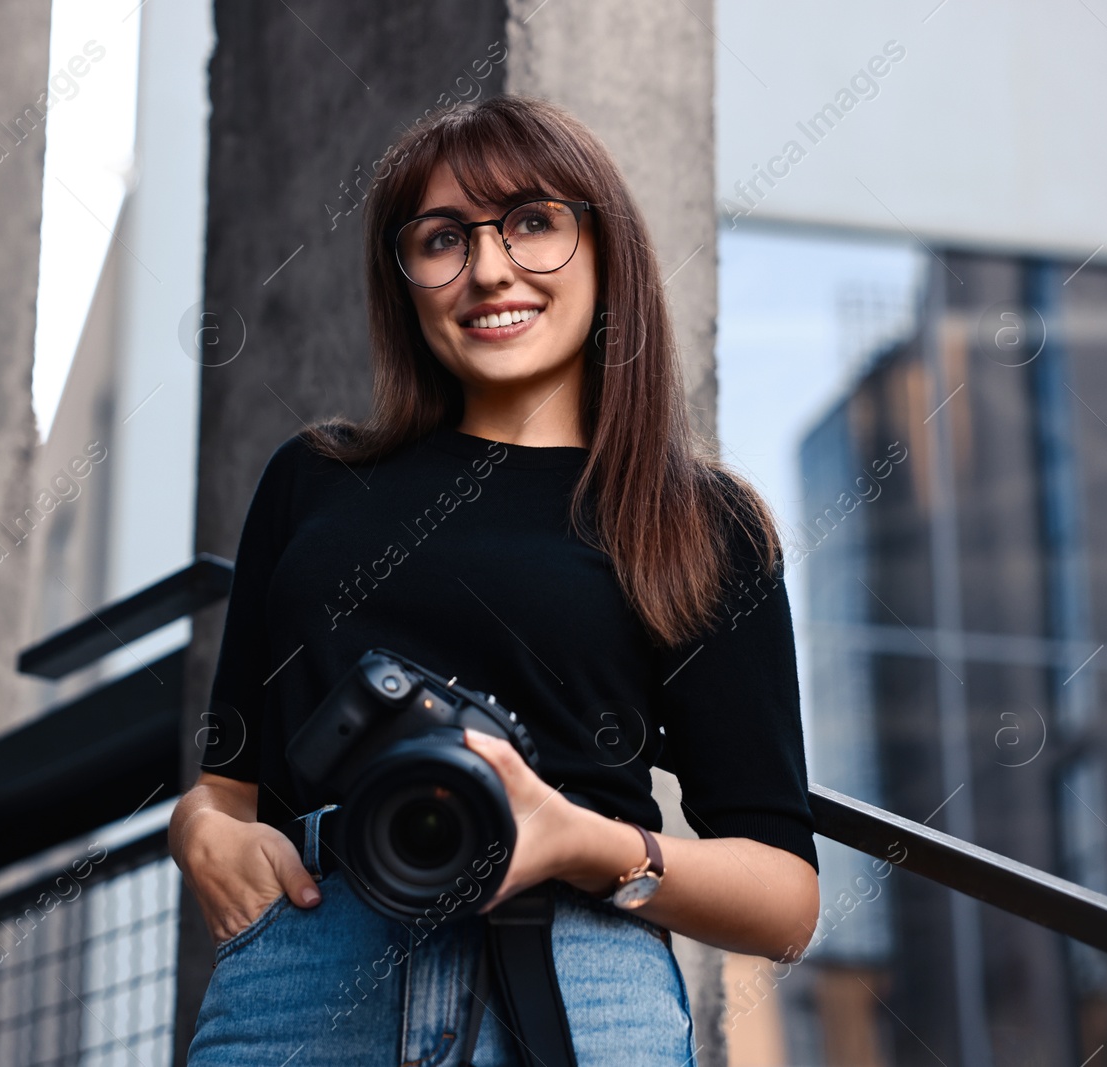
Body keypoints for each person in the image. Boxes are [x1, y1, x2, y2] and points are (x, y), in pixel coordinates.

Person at [170, 94, 820, 1065]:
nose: (487, 268)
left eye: (531, 222)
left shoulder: (698, 524)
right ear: (405, 282)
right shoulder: (314, 479)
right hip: (308, 960)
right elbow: (227, 782)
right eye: (441, 239)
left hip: (580, 974)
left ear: (606, 249)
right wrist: (200, 831)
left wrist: (579, 841)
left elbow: (784, 901)